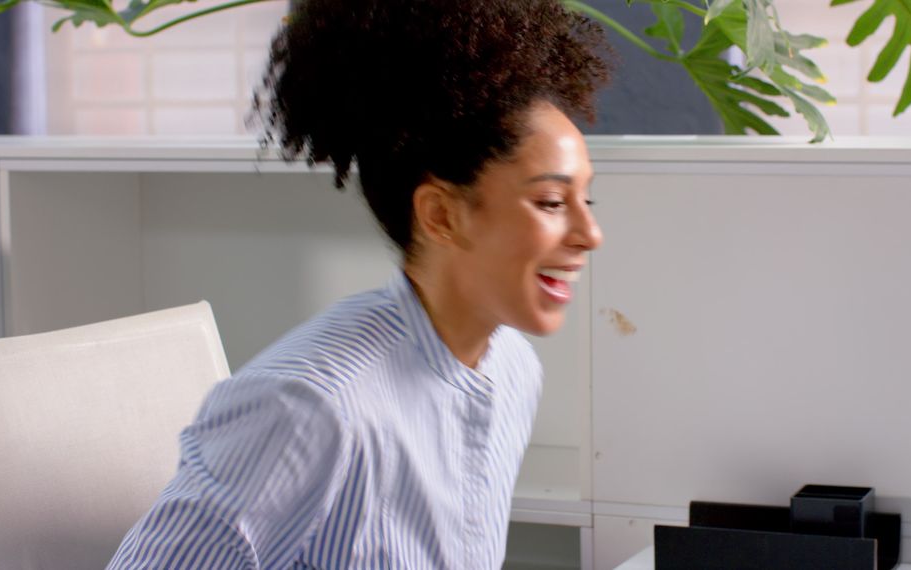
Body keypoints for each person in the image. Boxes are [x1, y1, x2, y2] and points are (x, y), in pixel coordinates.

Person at [107, 0, 610, 567]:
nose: (590, 233)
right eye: (549, 202)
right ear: (442, 216)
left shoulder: (512, 370)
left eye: (584, 200)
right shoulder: (308, 408)